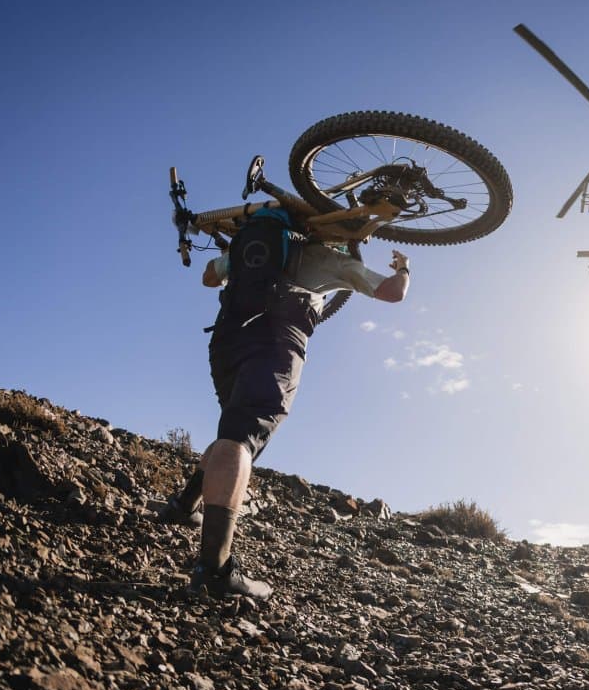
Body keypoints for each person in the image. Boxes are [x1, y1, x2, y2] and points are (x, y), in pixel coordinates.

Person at [160, 212, 410, 601]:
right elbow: (393, 292)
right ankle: (213, 570)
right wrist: (404, 268)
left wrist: (240, 259)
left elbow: (208, 276)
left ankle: (183, 506)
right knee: (241, 439)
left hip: (226, 342)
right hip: (276, 344)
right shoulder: (328, 258)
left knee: (232, 431)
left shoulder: (257, 246)